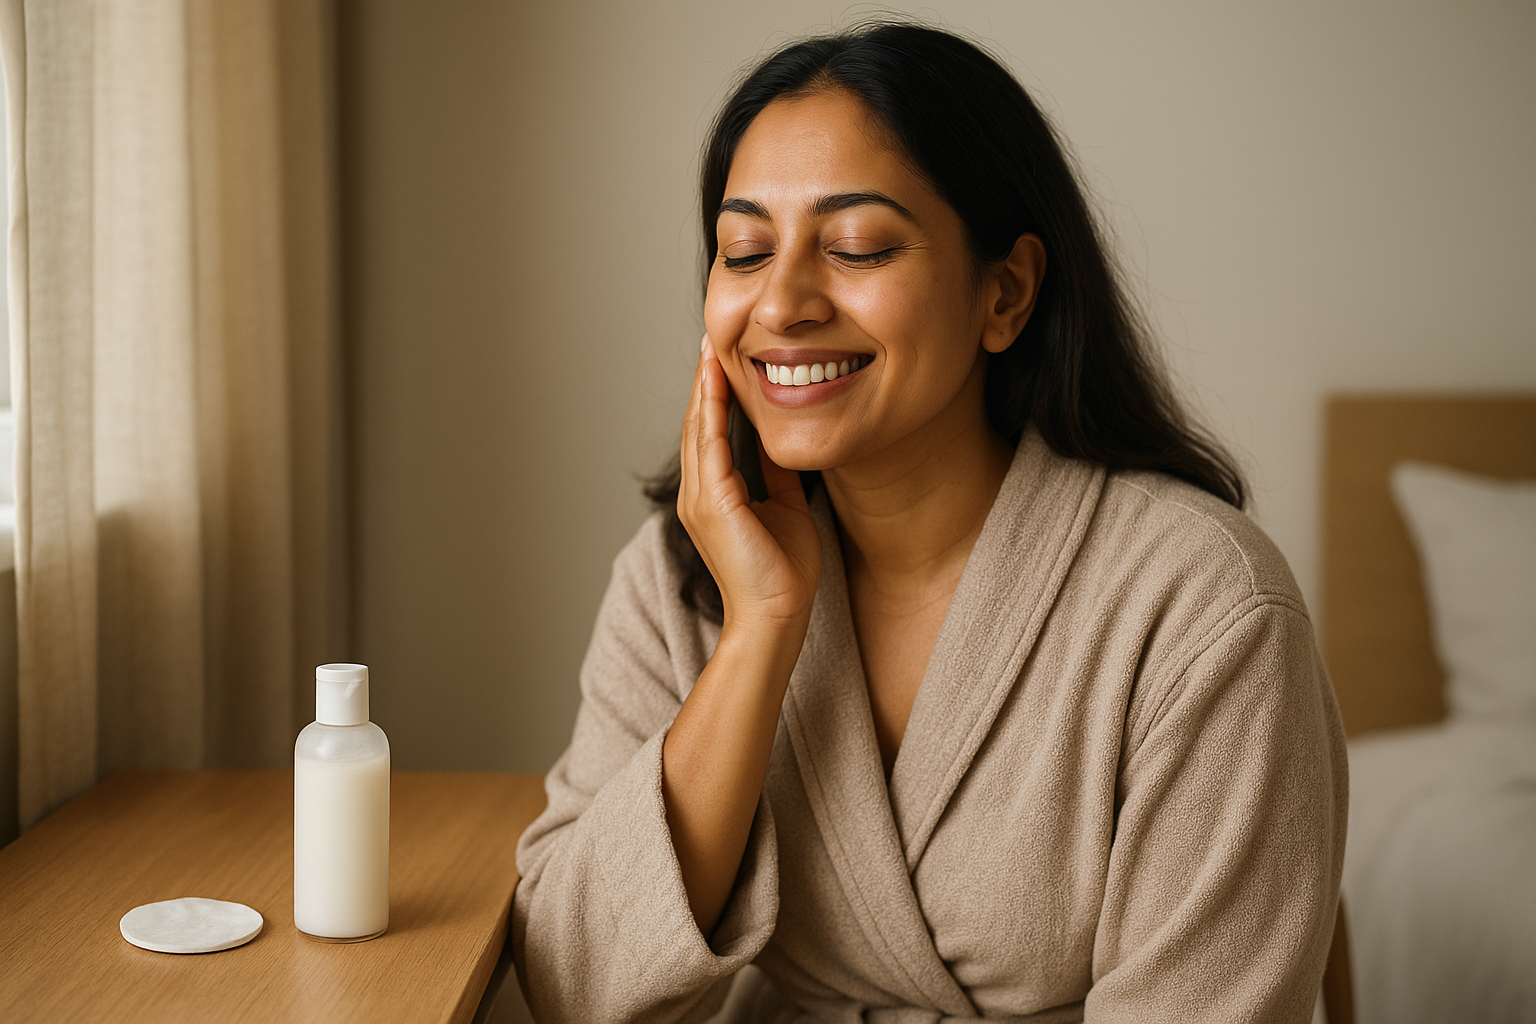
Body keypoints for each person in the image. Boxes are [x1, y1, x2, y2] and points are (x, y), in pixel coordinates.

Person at [513, 21, 1346, 1024]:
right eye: (745, 251)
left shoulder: (1202, 608)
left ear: (1006, 292)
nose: (781, 303)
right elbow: (569, 985)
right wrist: (760, 633)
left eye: (857, 247)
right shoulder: (682, 576)